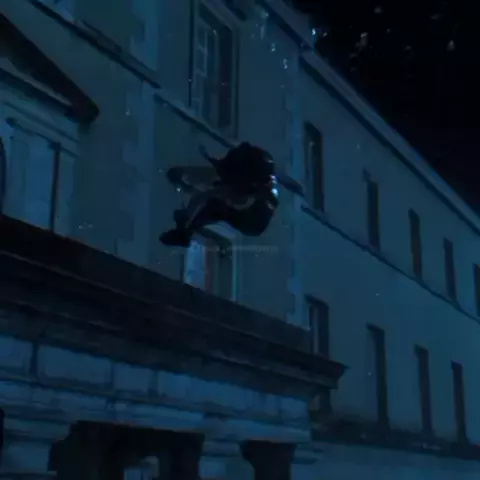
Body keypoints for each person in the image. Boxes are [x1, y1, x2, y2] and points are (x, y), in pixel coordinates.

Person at [160, 142, 280, 247]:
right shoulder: (242, 166)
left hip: (251, 218)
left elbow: (207, 198)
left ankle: (185, 233)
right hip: (245, 188)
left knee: (214, 205)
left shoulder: (249, 192)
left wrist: (185, 223)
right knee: (211, 195)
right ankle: (185, 230)